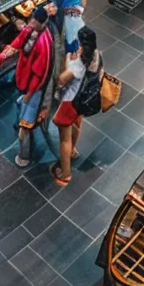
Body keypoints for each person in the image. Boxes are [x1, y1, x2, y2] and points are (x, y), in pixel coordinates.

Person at [0, 8, 60, 168]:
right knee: (20, 104)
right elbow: (21, 39)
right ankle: (22, 118)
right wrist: (9, 50)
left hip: (36, 90)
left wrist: (30, 94)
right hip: (24, 80)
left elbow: (39, 75)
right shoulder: (31, 28)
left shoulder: (44, 43)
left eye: (35, 22)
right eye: (32, 20)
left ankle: (24, 156)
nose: (31, 23)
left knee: (24, 129)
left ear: (43, 23)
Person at [51, 26, 98, 185]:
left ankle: (65, 173)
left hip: (70, 101)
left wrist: (68, 61)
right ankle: (73, 150)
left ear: (82, 44)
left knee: (64, 138)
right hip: (84, 100)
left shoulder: (78, 63)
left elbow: (62, 79)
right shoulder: (97, 55)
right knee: (77, 123)